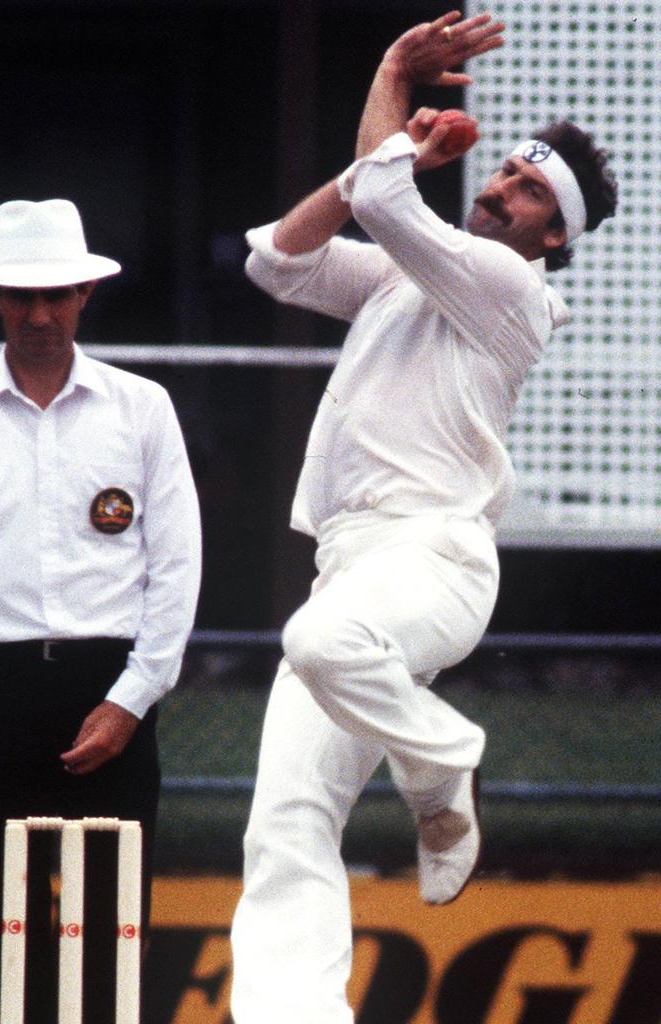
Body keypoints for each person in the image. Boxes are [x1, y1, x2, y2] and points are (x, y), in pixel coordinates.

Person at [230, 10, 617, 1024]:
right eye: (503, 174)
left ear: (554, 235)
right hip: (353, 565)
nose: (498, 186)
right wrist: (395, 122)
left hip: (435, 563)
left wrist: (397, 93)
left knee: (318, 639)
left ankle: (441, 758)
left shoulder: (508, 288)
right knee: (286, 823)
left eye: (527, 188)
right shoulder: (409, 277)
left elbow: (386, 198)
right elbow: (278, 261)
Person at [0, 198, 202, 1024]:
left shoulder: (141, 410)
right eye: (21, 297)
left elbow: (175, 573)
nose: (39, 314)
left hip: (111, 693)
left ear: (85, 295)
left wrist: (133, 699)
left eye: (56, 294)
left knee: (109, 942)